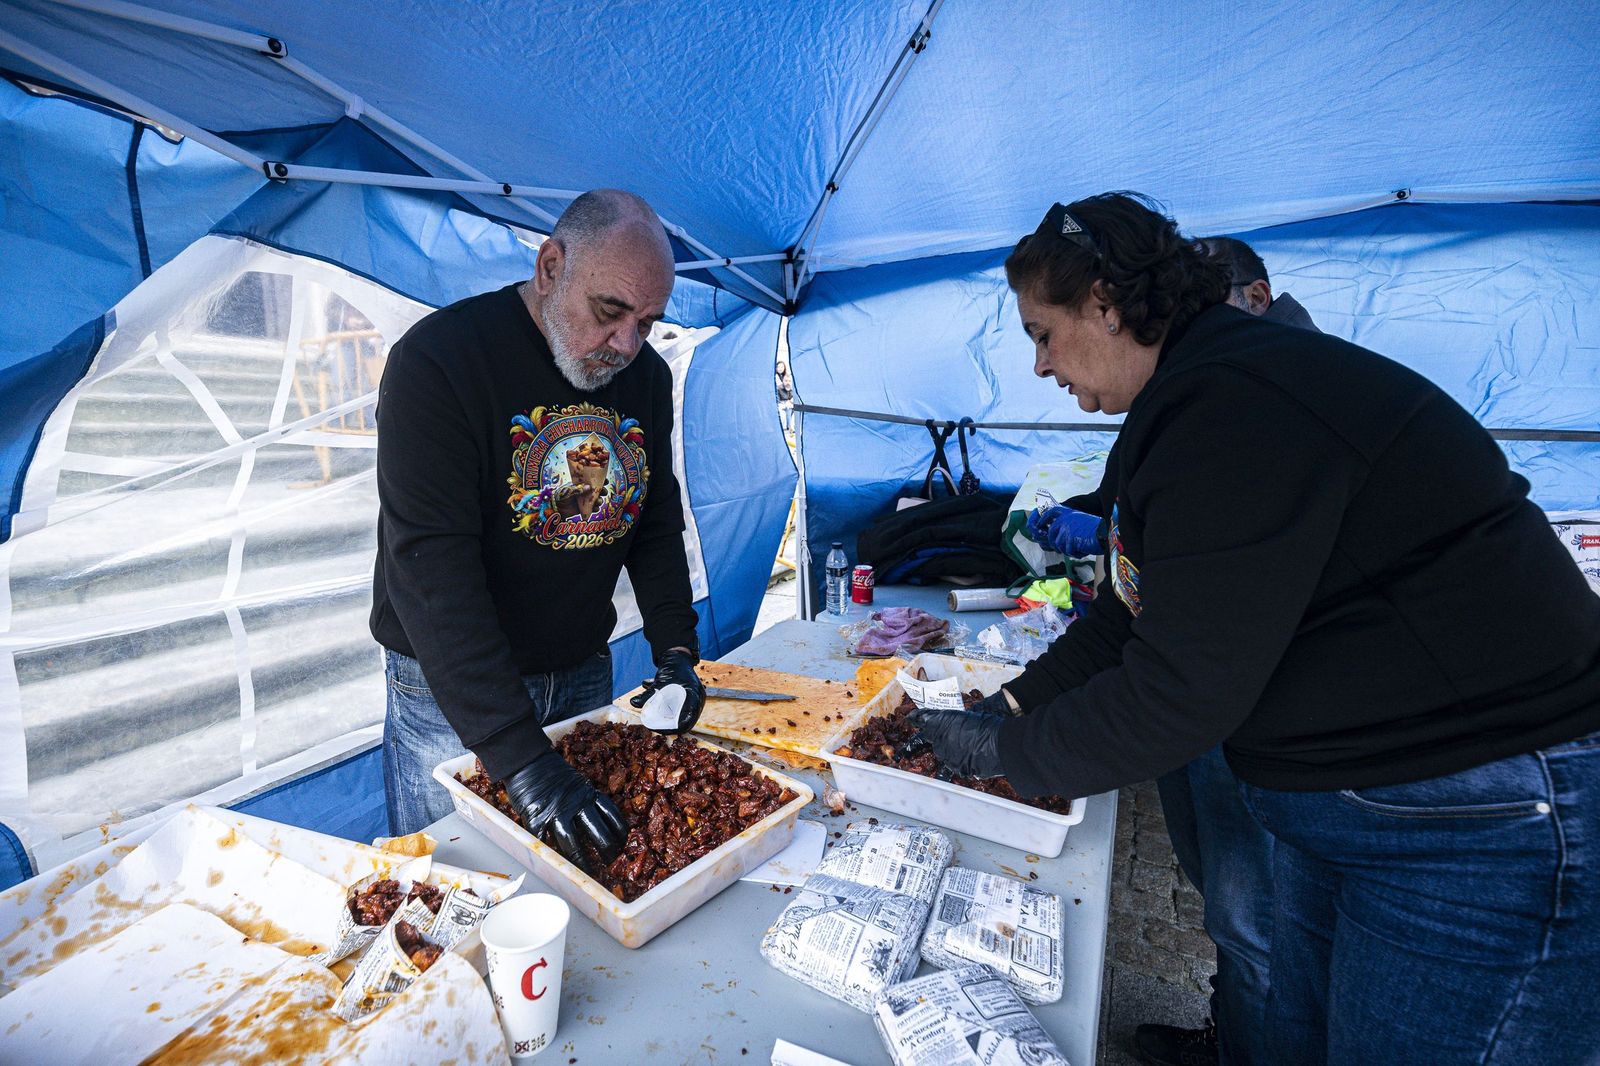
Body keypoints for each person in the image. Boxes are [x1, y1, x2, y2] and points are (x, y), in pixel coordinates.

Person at [915, 192, 1600, 1064]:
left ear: (1105, 301)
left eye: (1042, 335)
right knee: (1297, 1025)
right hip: (1352, 799)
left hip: (1474, 814)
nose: (1042, 367)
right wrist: (1008, 706)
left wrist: (1003, 759)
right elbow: (1129, 612)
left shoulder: (1239, 400)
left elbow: (1179, 692)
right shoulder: (1175, 407)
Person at [370, 189, 707, 869]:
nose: (626, 344)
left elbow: (653, 517)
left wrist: (676, 647)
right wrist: (519, 758)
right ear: (551, 266)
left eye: (648, 322)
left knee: (582, 881)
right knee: (457, 879)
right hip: (454, 688)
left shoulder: (644, 376)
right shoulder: (441, 361)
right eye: (610, 313)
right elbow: (431, 571)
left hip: (581, 668)